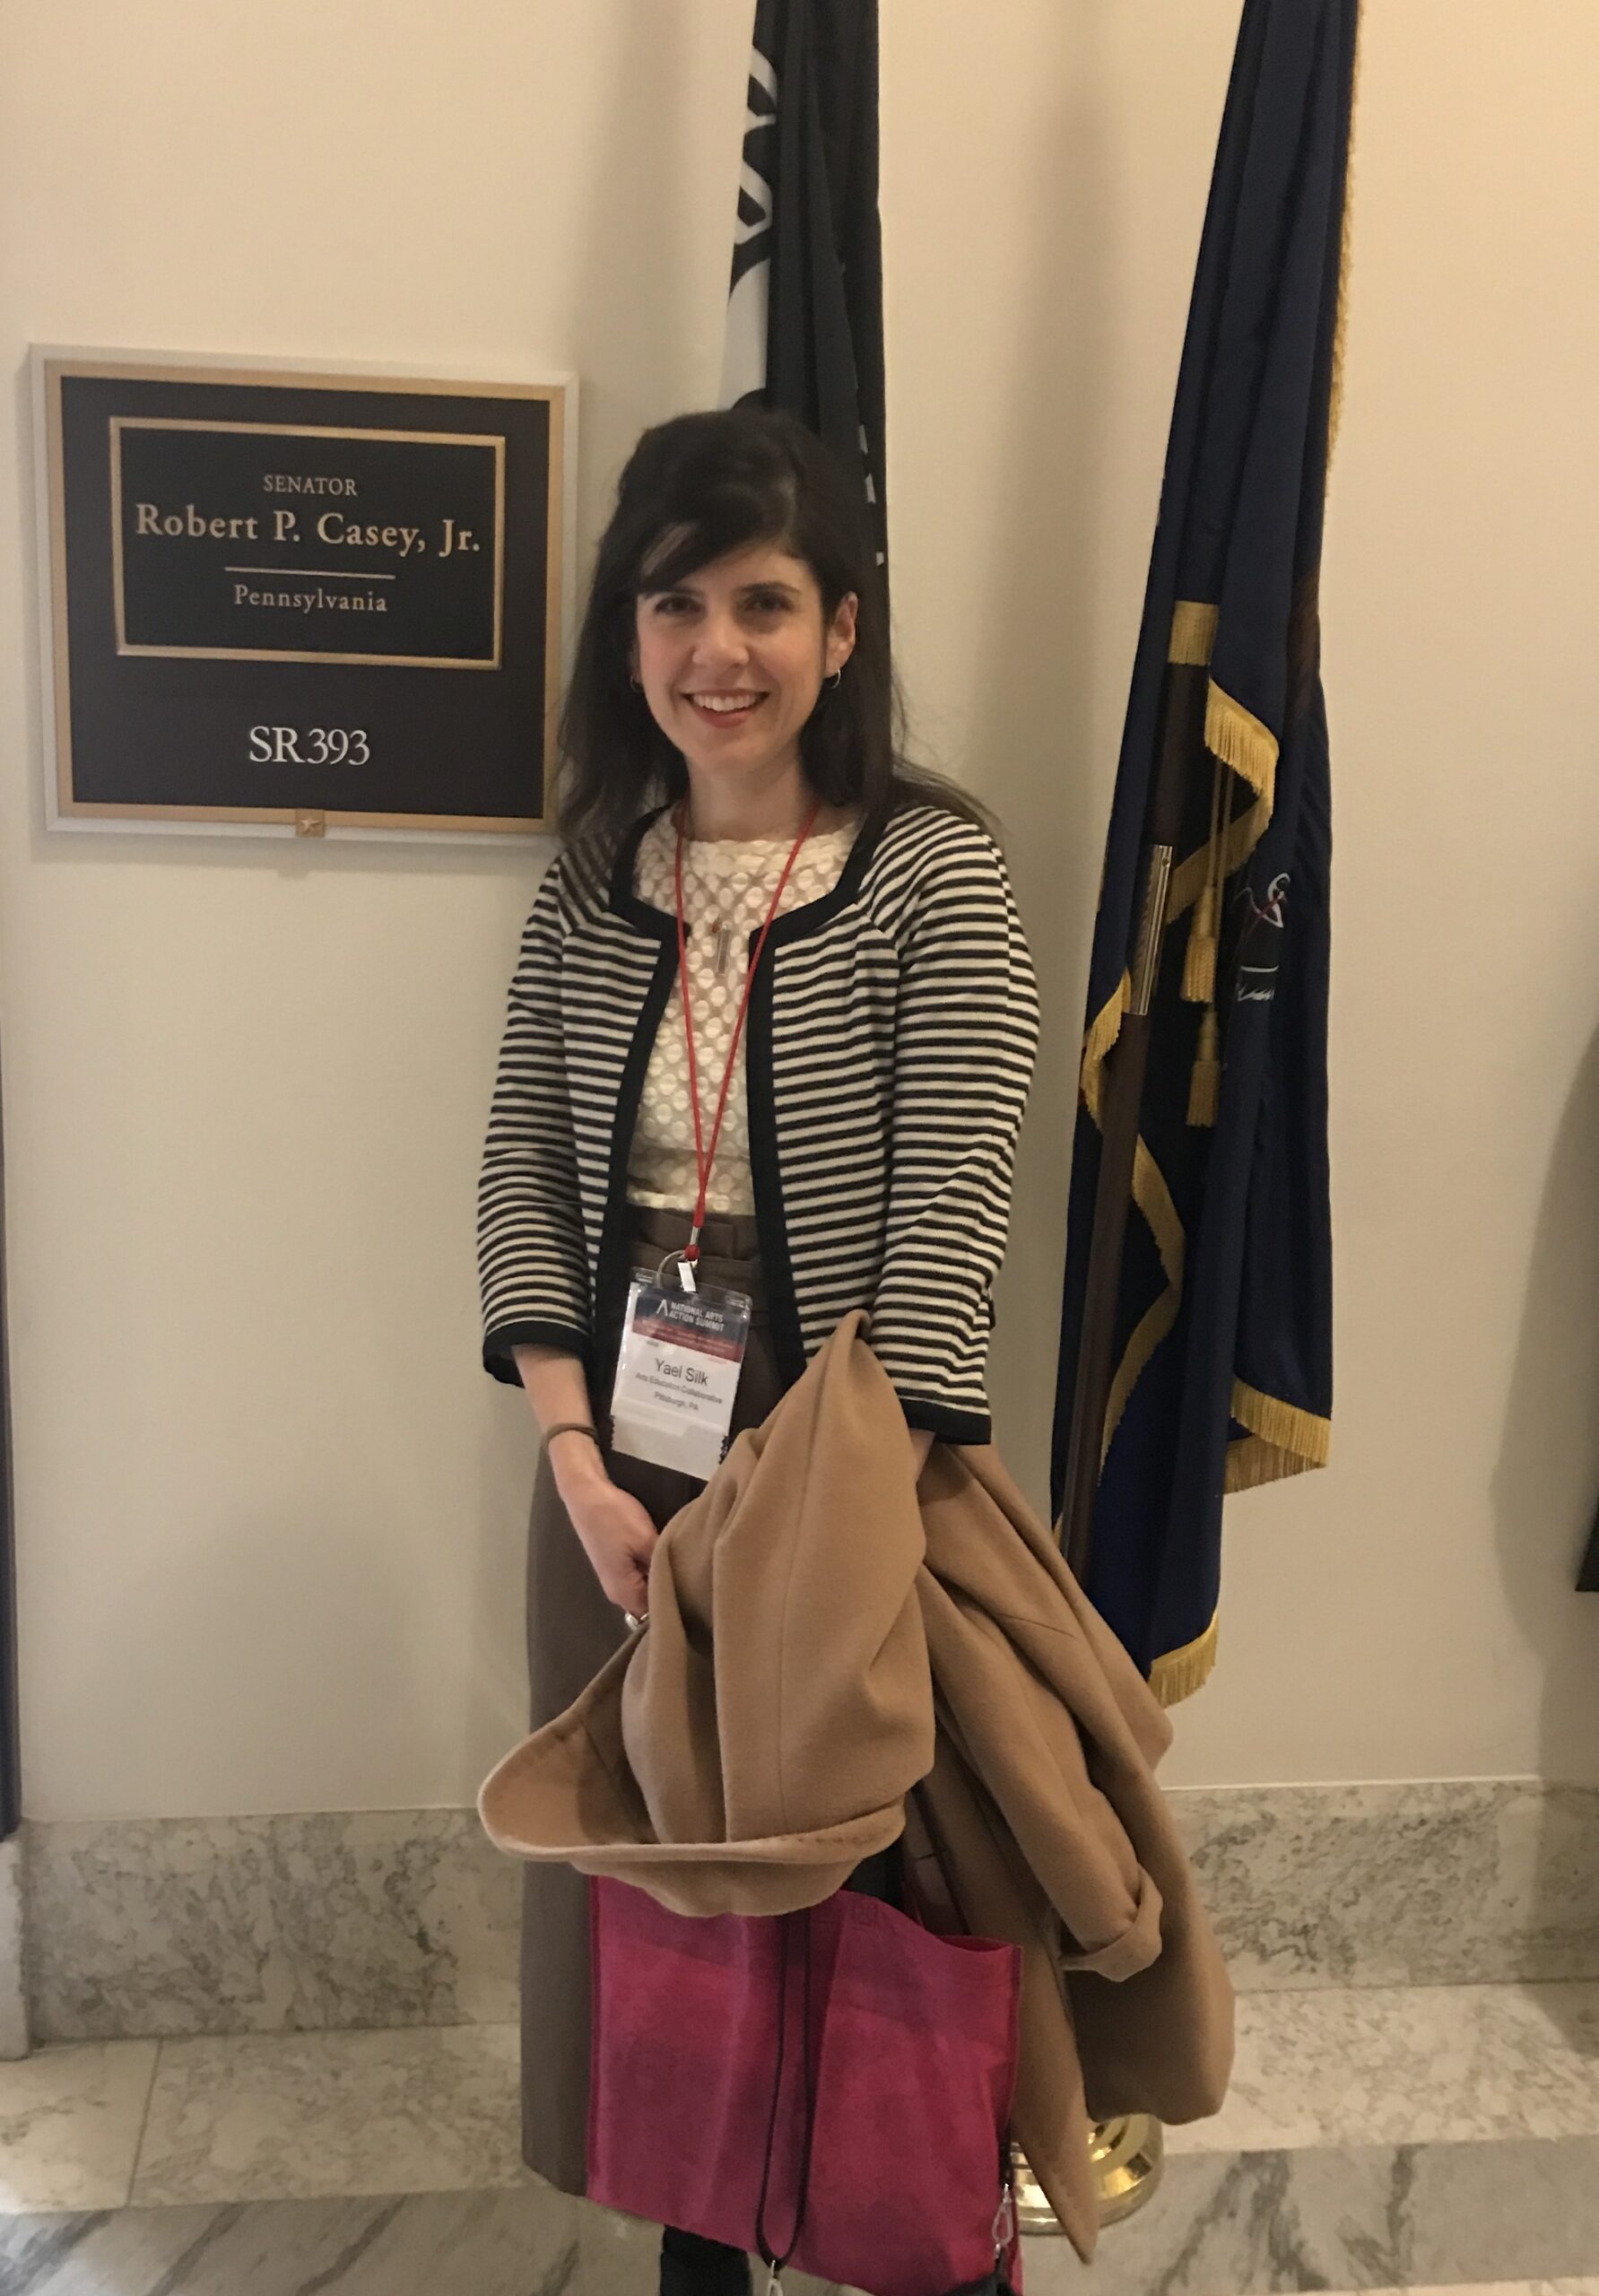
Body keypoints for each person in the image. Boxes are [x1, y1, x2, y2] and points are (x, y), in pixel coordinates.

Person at [477, 404, 1040, 2296]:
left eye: (765, 601)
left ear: (844, 629)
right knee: (664, 1944)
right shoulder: (588, 875)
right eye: (674, 603)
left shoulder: (928, 878)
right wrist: (575, 1459)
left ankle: (909, 2246)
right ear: (627, 637)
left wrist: (801, 1515)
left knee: (874, 1918)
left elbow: (947, 1213)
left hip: (847, 1487)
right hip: (612, 1483)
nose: (718, 649)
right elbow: (523, 1167)